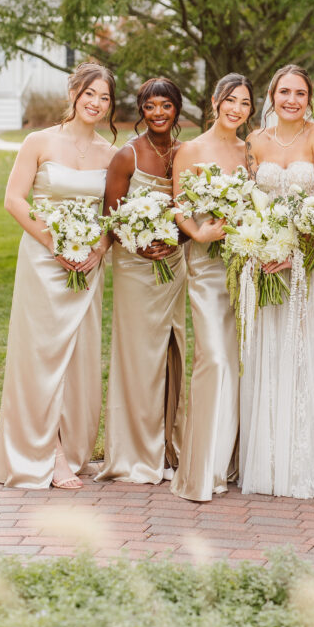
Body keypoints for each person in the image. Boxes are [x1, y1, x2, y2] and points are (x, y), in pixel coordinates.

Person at [0, 62, 117, 489]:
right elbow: (13, 199)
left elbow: (113, 217)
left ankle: (70, 445)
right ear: (73, 93)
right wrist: (54, 242)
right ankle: (45, 454)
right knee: (41, 356)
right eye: (90, 94)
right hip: (45, 262)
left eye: (104, 98)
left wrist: (96, 250)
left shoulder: (109, 154)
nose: (96, 104)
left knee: (79, 360)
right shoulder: (38, 141)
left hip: (86, 267)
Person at [240, 64, 314, 498]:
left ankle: (303, 460)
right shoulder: (256, 141)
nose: (292, 100)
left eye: (300, 92)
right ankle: (266, 458)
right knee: (268, 352)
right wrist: (261, 246)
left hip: (305, 266)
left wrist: (291, 251)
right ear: (272, 95)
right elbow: (248, 202)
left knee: (304, 354)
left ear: (309, 97)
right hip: (263, 264)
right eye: (284, 92)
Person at [96, 77, 187, 485]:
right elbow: (112, 219)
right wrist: (139, 245)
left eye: (165, 106)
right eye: (150, 106)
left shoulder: (187, 153)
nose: (158, 114)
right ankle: (135, 450)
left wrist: (176, 239)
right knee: (138, 356)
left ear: (177, 109)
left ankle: (172, 446)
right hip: (135, 268)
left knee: (173, 350)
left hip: (174, 263)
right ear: (141, 110)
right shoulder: (126, 157)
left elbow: (193, 210)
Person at [171, 73, 254, 502]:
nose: (236, 109)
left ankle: (227, 463)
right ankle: (198, 470)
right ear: (215, 101)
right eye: (230, 100)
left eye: (244, 103)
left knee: (239, 362)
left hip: (242, 265)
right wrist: (199, 235)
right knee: (215, 359)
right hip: (205, 267)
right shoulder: (191, 150)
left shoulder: (249, 151)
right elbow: (179, 207)